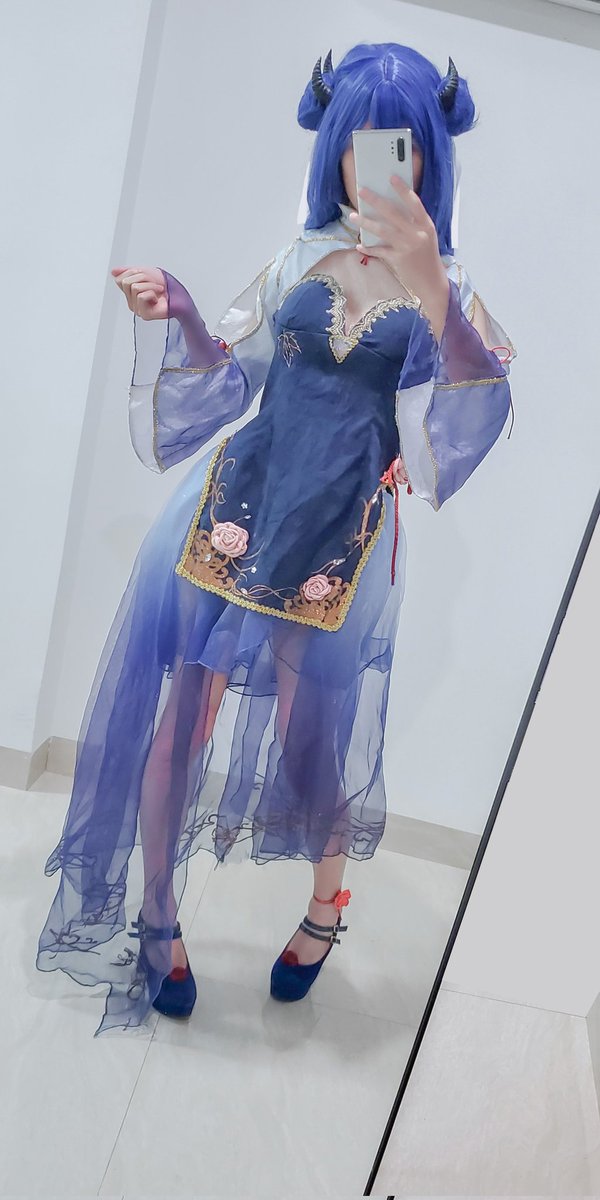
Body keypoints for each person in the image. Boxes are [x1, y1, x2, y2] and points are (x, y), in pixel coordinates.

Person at [36, 41, 515, 1037]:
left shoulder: (453, 288)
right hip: (238, 504)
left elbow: (469, 413)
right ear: (334, 146)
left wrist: (430, 285)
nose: (376, 166)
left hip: (340, 533)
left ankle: (327, 907)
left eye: (399, 146)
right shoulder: (298, 257)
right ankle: (157, 917)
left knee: (312, 745)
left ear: (428, 154)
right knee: (185, 717)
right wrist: (179, 313)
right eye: (359, 144)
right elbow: (233, 376)